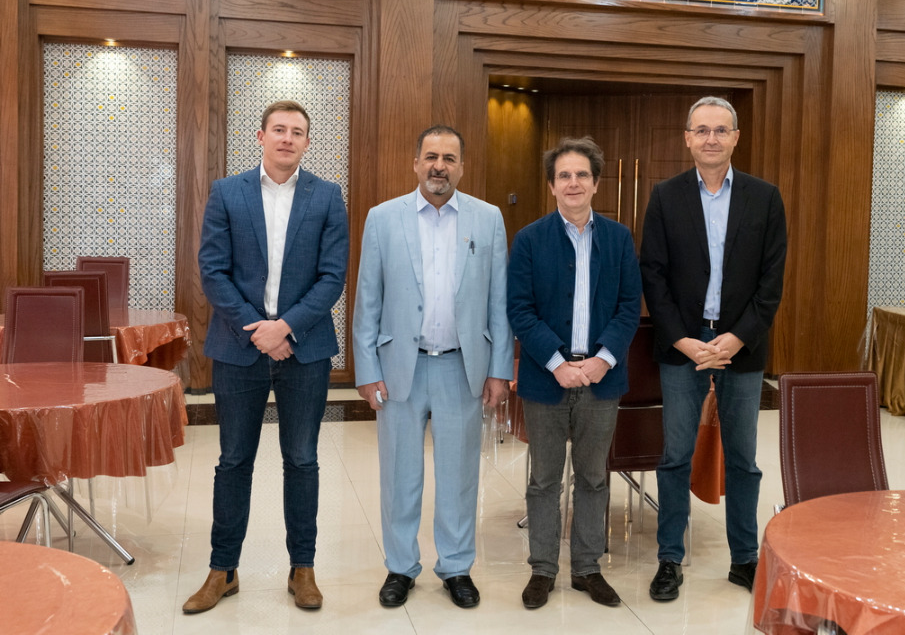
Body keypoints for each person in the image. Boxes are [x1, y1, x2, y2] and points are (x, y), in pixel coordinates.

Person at [184, 100, 348, 613]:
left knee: (302, 459)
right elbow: (213, 270)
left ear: (306, 142)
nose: (287, 138)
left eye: (297, 132)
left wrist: (286, 327)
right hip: (239, 347)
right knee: (234, 460)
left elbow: (333, 275)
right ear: (260, 136)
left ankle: (303, 569)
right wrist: (257, 331)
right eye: (279, 129)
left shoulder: (327, 196)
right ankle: (223, 569)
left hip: (305, 347)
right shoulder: (227, 192)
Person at [352, 125, 514, 609]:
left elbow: (499, 301)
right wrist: (366, 368)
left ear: (462, 167)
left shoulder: (487, 219)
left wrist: (499, 368)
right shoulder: (383, 218)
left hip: (462, 368)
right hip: (399, 366)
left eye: (448, 158)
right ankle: (400, 567)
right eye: (430, 156)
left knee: (459, 475)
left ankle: (456, 566)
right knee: (399, 475)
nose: (438, 166)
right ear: (416, 163)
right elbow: (367, 298)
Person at [639, 96, 787, 599]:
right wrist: (683, 340)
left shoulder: (765, 198)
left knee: (743, 458)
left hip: (741, 344)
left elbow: (771, 283)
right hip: (682, 344)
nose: (711, 138)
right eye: (701, 130)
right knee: (675, 455)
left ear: (735, 138)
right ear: (687, 138)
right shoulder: (665, 197)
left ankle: (744, 559)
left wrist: (737, 337)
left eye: (721, 130)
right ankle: (669, 559)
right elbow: (653, 275)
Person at [506, 137, 641, 610]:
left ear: (596, 183)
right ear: (551, 185)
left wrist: (603, 359)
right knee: (544, 480)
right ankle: (542, 569)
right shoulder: (529, 240)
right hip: (547, 377)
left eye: (582, 174)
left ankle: (587, 568)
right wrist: (557, 364)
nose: (573, 183)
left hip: (602, 378)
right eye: (564, 175)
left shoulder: (619, 239)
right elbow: (520, 310)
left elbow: (629, 307)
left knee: (593, 478)